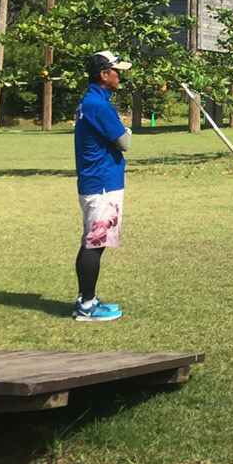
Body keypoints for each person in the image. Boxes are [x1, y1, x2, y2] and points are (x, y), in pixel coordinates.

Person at [72, 50, 133, 322]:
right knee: (94, 244)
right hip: (102, 184)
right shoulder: (99, 105)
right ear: (103, 74)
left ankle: (88, 299)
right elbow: (125, 142)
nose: (120, 76)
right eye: (116, 71)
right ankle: (86, 305)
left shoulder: (91, 101)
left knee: (93, 242)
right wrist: (128, 132)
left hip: (96, 180)